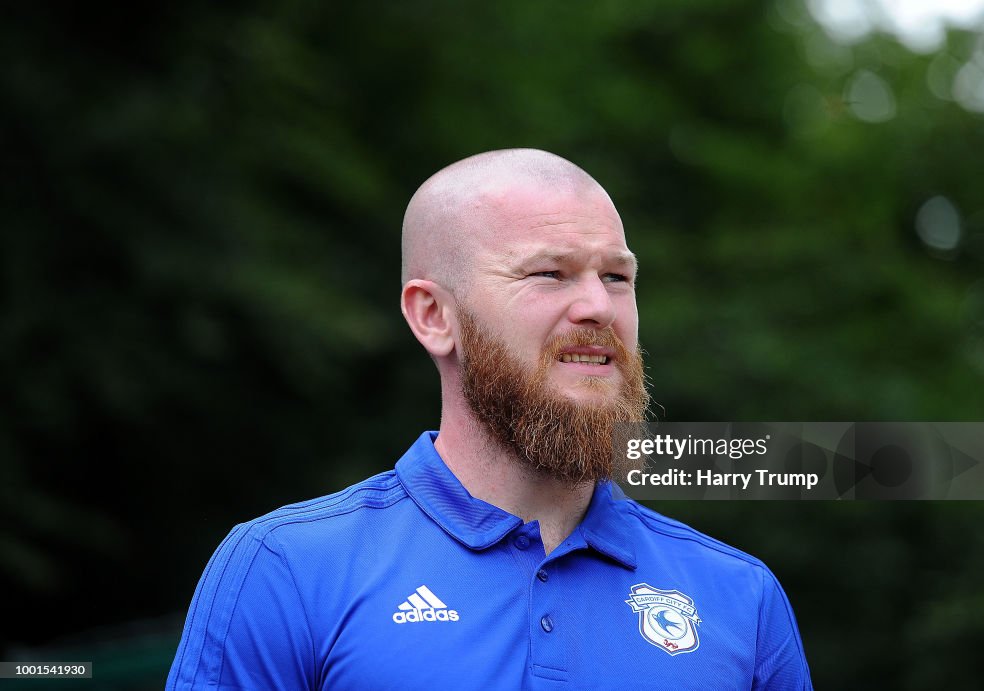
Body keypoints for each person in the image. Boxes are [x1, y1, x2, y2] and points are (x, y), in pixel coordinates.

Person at [166, 149, 813, 690]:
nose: (597, 305)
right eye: (549, 272)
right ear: (433, 316)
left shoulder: (742, 598)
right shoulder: (286, 568)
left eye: (617, 276)